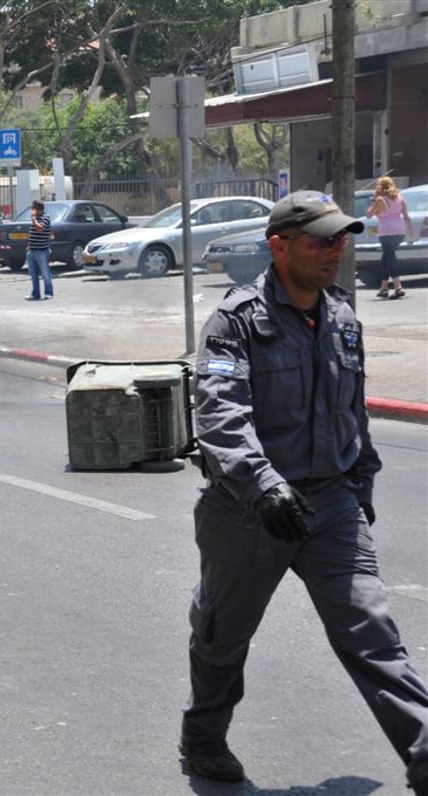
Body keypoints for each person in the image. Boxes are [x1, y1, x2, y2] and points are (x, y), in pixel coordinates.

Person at [180, 190, 428, 790]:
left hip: (331, 502)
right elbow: (220, 415)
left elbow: (352, 412)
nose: (336, 250)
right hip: (249, 509)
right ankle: (204, 735)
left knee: (371, 631)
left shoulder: (342, 315)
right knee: (222, 634)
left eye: (342, 237)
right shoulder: (237, 320)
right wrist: (264, 486)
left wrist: (361, 480)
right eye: (321, 239)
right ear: (280, 246)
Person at [365, 176, 414, 299]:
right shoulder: (400, 199)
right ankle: (384, 287)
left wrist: (374, 200)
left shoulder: (380, 200)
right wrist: (411, 233)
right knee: (386, 258)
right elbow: (407, 217)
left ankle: (398, 286)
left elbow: (369, 215)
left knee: (390, 257)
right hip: (399, 231)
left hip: (386, 231)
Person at [24, 200, 54, 301]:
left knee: (45, 273)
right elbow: (33, 232)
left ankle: (48, 292)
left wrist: (33, 218)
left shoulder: (45, 217)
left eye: (34, 208)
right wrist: (29, 244)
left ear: (38, 209)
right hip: (32, 250)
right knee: (33, 274)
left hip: (42, 251)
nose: (32, 210)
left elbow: (40, 229)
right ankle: (35, 293)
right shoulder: (36, 218)